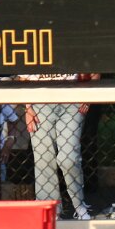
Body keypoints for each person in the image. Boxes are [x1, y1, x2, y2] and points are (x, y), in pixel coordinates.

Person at [22, 73, 91, 220]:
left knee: (69, 158)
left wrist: (87, 96)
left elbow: (93, 72)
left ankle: (79, 205)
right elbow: (24, 77)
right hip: (40, 101)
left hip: (71, 100)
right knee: (44, 158)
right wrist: (27, 107)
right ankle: (50, 209)